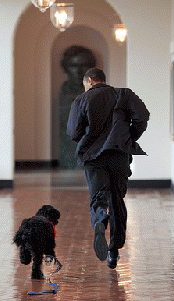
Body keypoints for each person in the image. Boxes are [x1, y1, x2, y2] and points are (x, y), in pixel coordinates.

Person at [66, 68, 149, 269]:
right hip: (119, 155)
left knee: (98, 197)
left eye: (85, 85)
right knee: (117, 199)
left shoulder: (81, 100)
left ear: (91, 81)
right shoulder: (124, 94)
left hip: (94, 158)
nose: (85, 88)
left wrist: (87, 139)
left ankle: (100, 220)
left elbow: (72, 131)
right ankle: (114, 251)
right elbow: (142, 116)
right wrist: (127, 137)